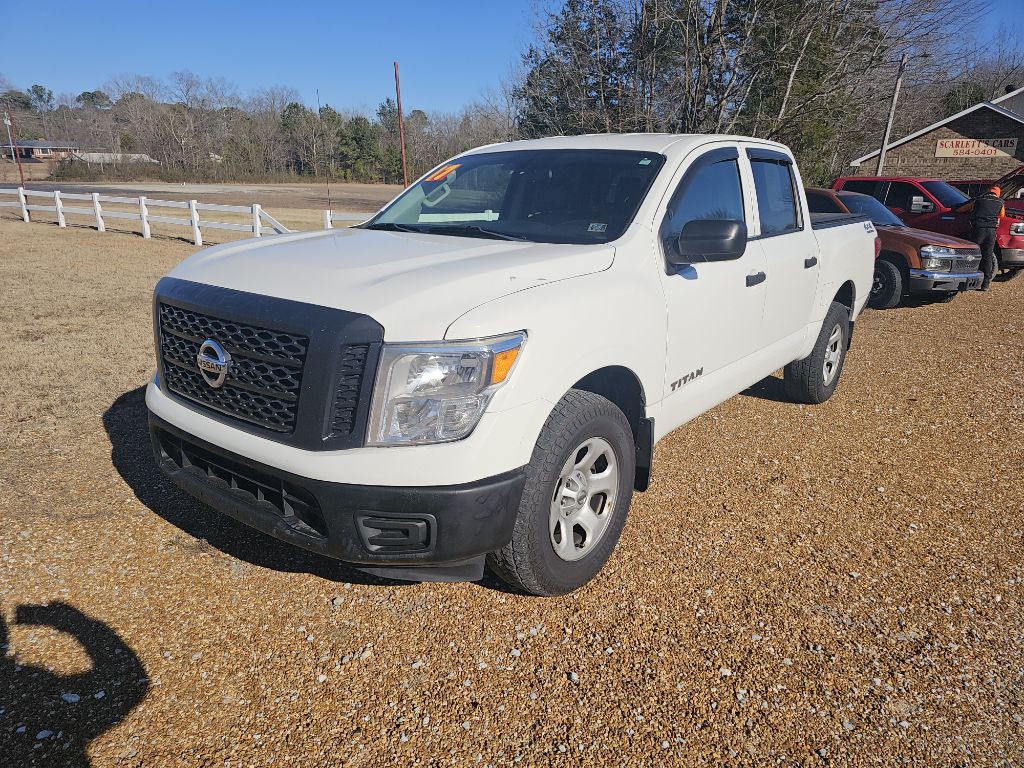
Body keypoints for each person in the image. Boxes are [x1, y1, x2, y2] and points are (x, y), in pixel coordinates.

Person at [972, 185, 1005, 291]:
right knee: (987, 256)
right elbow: (1002, 215)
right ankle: (985, 284)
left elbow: (969, 210)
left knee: (974, 254)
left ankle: (971, 280)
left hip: (978, 229)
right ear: (997, 193)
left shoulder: (979, 200)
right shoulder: (1000, 202)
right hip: (991, 231)